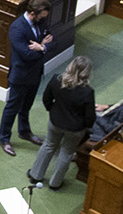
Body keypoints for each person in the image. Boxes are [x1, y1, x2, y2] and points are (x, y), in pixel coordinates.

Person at [29, 56, 95, 190]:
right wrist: (86, 126)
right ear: (86, 73)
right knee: (66, 153)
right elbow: (89, 116)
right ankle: (55, 183)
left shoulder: (56, 80)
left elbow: (46, 98)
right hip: (75, 129)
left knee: (48, 145)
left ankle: (36, 175)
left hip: (55, 122)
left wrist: (52, 110)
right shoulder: (88, 92)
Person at [1, 0, 52, 155]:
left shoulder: (41, 22)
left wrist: (42, 47)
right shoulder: (17, 28)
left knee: (27, 106)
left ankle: (24, 131)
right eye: (41, 16)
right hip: (21, 75)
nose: (43, 19)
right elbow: (27, 54)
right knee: (12, 107)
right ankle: (4, 138)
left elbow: (52, 40)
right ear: (32, 13)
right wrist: (42, 49)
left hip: (35, 74)